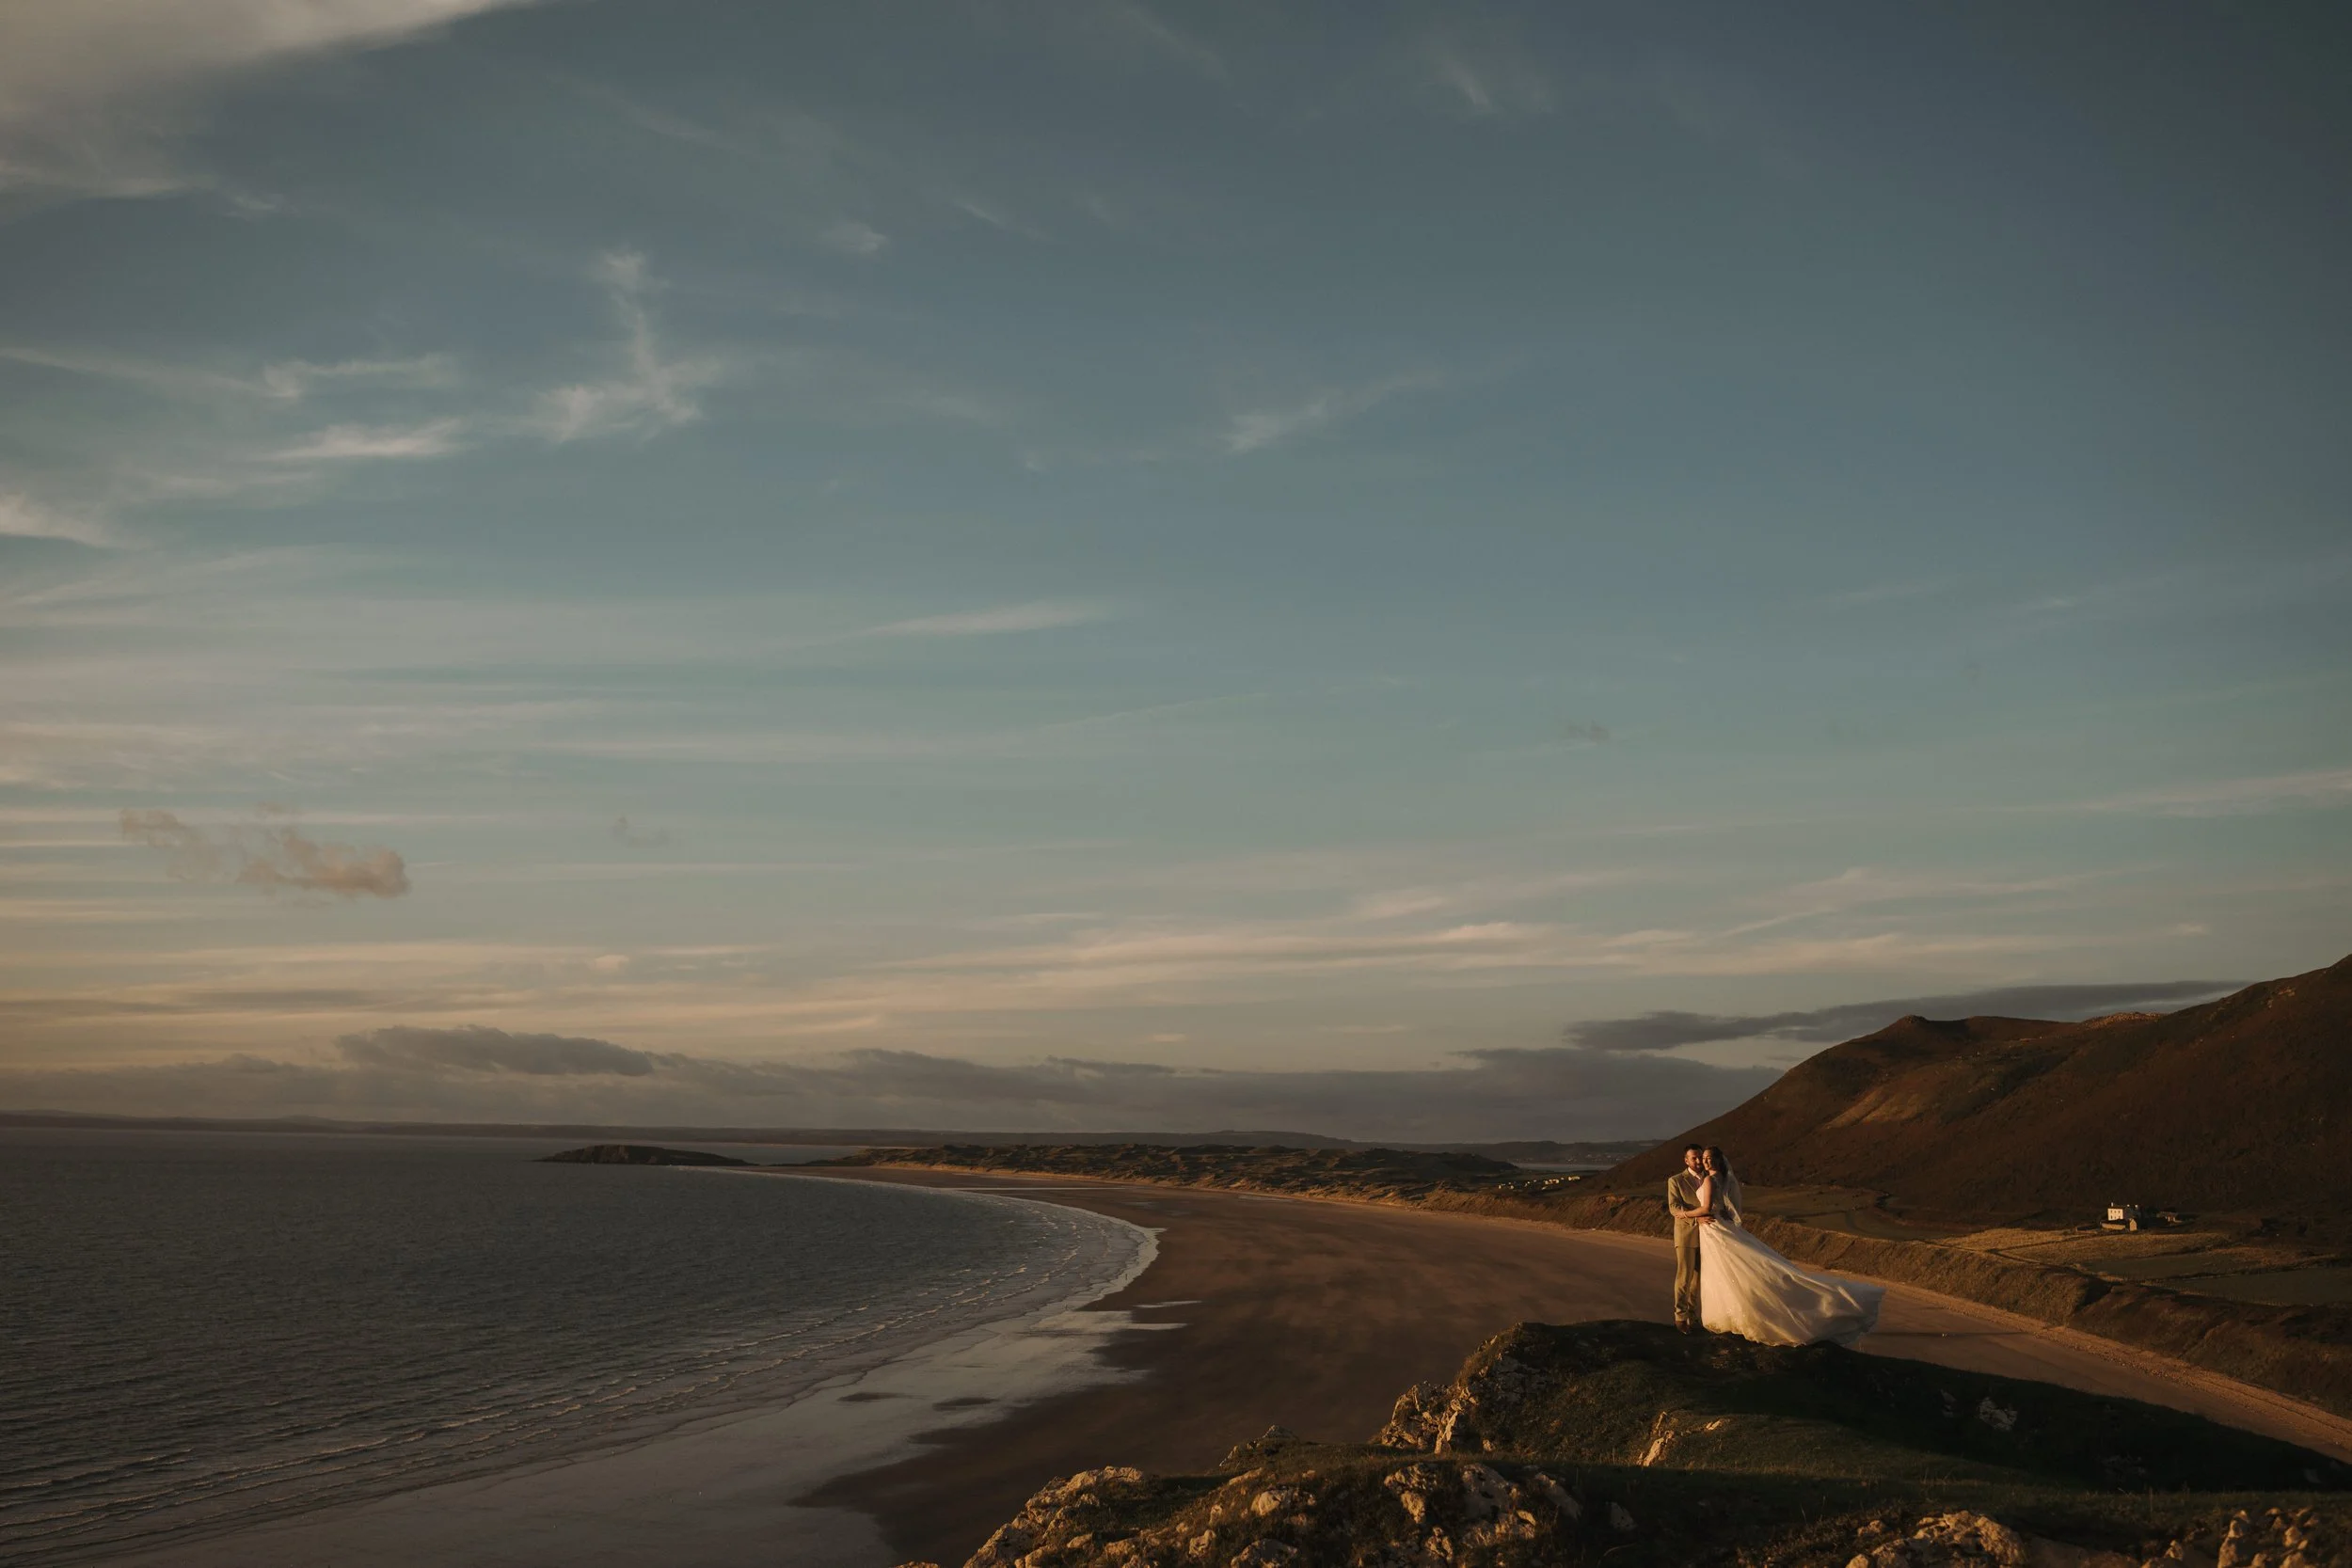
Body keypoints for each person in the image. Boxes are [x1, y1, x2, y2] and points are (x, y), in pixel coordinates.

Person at [1692, 1147, 1883, 1347]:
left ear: (1718, 1160)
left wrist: (1686, 1215)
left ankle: (1734, 1316)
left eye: (1710, 1158)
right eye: (1704, 1158)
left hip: (1713, 1228)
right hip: (1718, 1227)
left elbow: (1706, 1208)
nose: (1706, 1162)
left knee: (1725, 1269)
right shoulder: (1724, 1179)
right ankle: (1735, 1315)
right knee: (1728, 1269)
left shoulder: (1709, 1180)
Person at [1664, 1144, 1708, 1332]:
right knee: (1684, 1277)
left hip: (1707, 1236)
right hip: (1686, 1234)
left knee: (1698, 1280)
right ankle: (1680, 1317)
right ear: (1686, 1160)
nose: (1698, 1161)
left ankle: (1692, 1316)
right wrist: (1697, 1216)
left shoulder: (1710, 1178)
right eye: (1694, 1158)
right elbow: (1674, 1208)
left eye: (1700, 1157)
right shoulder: (1675, 1180)